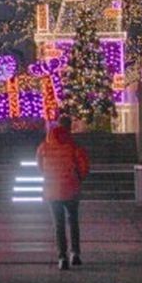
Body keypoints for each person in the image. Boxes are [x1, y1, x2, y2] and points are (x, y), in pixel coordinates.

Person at [36, 115, 90, 270]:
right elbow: (84, 165)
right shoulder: (73, 145)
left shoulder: (44, 146)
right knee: (73, 221)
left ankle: (62, 257)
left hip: (52, 189)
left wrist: (49, 176)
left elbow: (39, 166)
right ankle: (75, 254)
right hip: (71, 188)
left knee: (58, 224)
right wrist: (79, 178)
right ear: (69, 127)